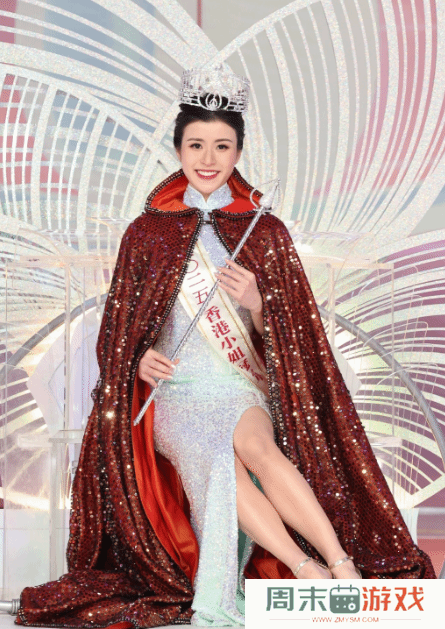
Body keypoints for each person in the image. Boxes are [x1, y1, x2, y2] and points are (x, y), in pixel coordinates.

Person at [17, 67, 435, 629]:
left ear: (238, 151)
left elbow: (298, 334)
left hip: (238, 385)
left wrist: (260, 303)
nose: (208, 158)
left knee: (258, 448)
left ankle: (339, 562)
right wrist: (138, 361)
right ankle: (305, 567)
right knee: (216, 459)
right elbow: (119, 328)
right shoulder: (146, 233)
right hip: (175, 395)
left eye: (222, 145)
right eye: (196, 145)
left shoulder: (265, 230)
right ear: (178, 149)